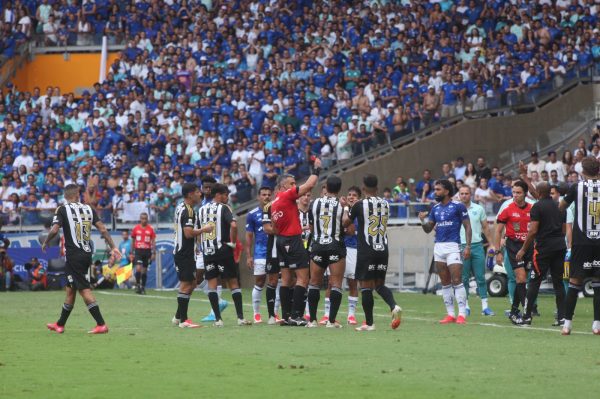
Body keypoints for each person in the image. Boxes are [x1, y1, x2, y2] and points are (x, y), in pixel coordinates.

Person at [43, 184, 121, 334]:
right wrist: (113, 247)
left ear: (65, 196)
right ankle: (60, 324)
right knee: (70, 290)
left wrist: (46, 242)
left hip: (73, 255)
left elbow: (54, 229)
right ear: (77, 195)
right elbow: (103, 229)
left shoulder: (62, 209)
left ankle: (101, 324)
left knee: (84, 290)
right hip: (86, 253)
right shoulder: (89, 208)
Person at [343, 174, 402, 331]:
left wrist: (345, 207)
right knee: (379, 285)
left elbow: (346, 222)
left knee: (366, 287)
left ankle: (369, 323)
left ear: (363, 189)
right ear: (377, 188)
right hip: (383, 249)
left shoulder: (359, 205)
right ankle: (393, 306)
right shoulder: (386, 204)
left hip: (366, 250)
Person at [270, 158, 322, 326]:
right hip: (293, 239)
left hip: (281, 240)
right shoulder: (287, 196)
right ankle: (296, 315)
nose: (294, 186)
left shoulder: (274, 204)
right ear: (283, 187)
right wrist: (317, 170)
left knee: (285, 280)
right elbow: (309, 185)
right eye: (291, 183)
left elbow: (275, 228)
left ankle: (285, 316)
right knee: (302, 278)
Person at [419, 180, 472, 324]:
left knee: (457, 280)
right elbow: (428, 229)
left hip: (453, 246)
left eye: (438, 189)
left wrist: (467, 246)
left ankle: (462, 314)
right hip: (439, 247)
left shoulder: (458, 206)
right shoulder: (435, 208)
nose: (435, 192)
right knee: (445, 282)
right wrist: (423, 221)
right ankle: (450, 314)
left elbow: (467, 226)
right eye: (435, 189)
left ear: (447, 191)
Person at [198, 183, 250, 326]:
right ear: (218, 195)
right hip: (223, 250)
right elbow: (233, 225)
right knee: (233, 282)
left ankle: (218, 319)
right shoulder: (224, 208)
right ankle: (240, 318)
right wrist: (233, 243)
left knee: (212, 285)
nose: (227, 198)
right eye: (225, 195)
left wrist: (200, 246)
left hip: (208, 252)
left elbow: (199, 230)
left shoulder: (201, 209)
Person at [559, 157, 600, 335]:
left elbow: (561, 206)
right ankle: (597, 325)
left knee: (575, 282)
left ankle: (567, 324)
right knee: (598, 283)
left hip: (581, 241)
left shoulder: (577, 187)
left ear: (582, 171)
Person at [516, 182, 566, 326]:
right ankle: (562, 318)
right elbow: (563, 229)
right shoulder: (559, 205)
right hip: (559, 246)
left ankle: (526, 316)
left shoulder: (537, 206)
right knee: (558, 282)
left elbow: (533, 231)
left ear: (538, 192)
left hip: (543, 248)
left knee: (534, 281)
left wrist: (523, 249)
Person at [171, 183, 214, 329]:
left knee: (192, 283)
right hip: (184, 253)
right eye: (197, 192)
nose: (200, 194)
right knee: (186, 285)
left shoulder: (180, 207)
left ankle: (178, 316)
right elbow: (188, 233)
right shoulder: (189, 211)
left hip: (184, 251)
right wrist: (205, 229)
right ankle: (184, 320)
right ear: (190, 194)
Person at [306, 176, 346, 328]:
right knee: (336, 284)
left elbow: (310, 228)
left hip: (317, 246)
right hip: (335, 246)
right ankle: (331, 321)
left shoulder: (314, 203)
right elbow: (346, 225)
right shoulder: (341, 205)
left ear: (326, 187)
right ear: (339, 188)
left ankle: (312, 321)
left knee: (314, 283)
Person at [494, 180, 533, 325]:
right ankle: (527, 313)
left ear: (525, 194)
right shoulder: (507, 209)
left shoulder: (533, 209)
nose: (515, 195)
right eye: (513, 193)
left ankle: (514, 311)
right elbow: (497, 231)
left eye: (518, 193)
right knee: (521, 278)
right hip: (513, 246)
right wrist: (498, 251)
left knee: (522, 280)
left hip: (529, 247)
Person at [457, 186, 496, 316]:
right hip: (462, 246)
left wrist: (491, 244)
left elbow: (485, 227)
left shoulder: (478, 209)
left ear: (471, 194)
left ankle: (485, 307)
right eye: (461, 193)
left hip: (477, 246)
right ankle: (466, 307)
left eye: (466, 193)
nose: (464, 196)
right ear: (459, 195)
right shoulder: (455, 210)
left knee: (481, 277)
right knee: (464, 278)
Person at [196, 176, 229, 322]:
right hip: (203, 246)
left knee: (215, 276)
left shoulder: (221, 203)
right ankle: (219, 302)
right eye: (205, 187)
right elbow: (198, 226)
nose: (207, 190)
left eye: (210, 187)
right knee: (197, 277)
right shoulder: (201, 204)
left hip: (217, 246)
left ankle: (214, 310)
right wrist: (197, 245)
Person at [245, 186, 273, 324]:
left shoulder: (276, 211)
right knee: (260, 282)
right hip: (260, 253)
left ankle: (274, 314)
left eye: (269, 194)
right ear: (258, 197)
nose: (266, 197)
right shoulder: (252, 214)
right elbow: (249, 237)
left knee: (276, 282)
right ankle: (256, 314)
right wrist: (249, 256)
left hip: (275, 252)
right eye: (263, 194)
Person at [262, 185, 282, 324]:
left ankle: (289, 313)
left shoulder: (293, 204)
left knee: (291, 280)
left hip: (291, 248)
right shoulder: (269, 207)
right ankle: (271, 315)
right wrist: (285, 230)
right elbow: (267, 229)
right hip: (274, 249)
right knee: (273, 281)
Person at [342, 186, 361, 325]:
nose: (351, 197)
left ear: (358, 198)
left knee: (353, 282)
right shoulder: (342, 210)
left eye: (354, 195)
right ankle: (327, 314)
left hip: (354, 249)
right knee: (332, 282)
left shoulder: (359, 212)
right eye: (349, 194)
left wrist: (347, 210)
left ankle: (351, 314)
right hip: (339, 247)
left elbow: (350, 230)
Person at [131, 212, 156, 294]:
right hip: (138, 251)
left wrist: (153, 253)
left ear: (147, 219)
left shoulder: (150, 229)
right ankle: (138, 285)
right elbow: (133, 241)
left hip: (147, 251)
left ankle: (143, 287)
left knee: (144, 271)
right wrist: (131, 252)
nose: (144, 220)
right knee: (138, 268)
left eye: (145, 218)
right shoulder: (136, 229)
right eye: (142, 218)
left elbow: (153, 241)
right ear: (140, 219)